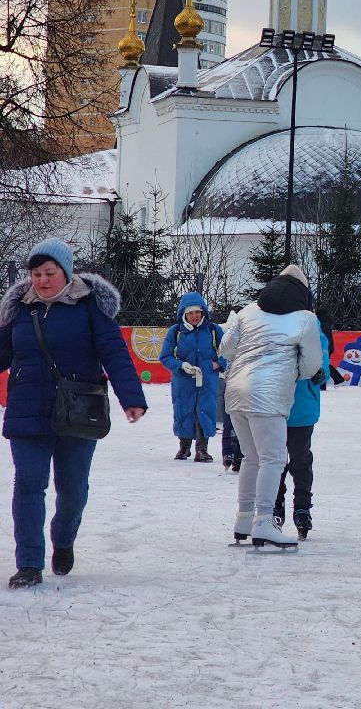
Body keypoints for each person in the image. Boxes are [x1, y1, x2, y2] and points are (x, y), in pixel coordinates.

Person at [0, 238, 147, 589]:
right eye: (36, 274)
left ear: (65, 272)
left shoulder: (89, 306)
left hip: (79, 409)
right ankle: (30, 563)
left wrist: (132, 397)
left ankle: (63, 539)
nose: (42, 280)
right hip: (27, 408)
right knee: (29, 485)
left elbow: (114, 352)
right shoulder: (19, 309)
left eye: (49, 273)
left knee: (72, 488)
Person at [220, 264, 325, 548]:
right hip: (268, 398)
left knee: (251, 458)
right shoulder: (305, 318)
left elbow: (225, 349)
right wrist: (291, 373)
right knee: (273, 459)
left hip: (235, 393)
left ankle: (244, 518)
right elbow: (313, 364)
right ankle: (264, 521)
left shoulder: (248, 311)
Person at [273, 329, 327, 541]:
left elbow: (323, 360)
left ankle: (302, 508)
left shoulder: (314, 330)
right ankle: (274, 505)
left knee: (300, 459)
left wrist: (320, 372)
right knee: (273, 460)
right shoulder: (272, 327)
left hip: (302, 407)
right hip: (273, 404)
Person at [159, 291, 225, 462]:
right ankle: (184, 447)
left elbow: (230, 352)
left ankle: (202, 449)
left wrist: (216, 364)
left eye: (198, 312)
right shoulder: (175, 332)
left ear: (203, 312)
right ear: (184, 314)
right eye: (190, 313)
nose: (195, 316)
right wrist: (181, 365)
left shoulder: (213, 330)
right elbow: (165, 357)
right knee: (184, 410)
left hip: (207, 379)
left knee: (205, 410)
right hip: (183, 380)